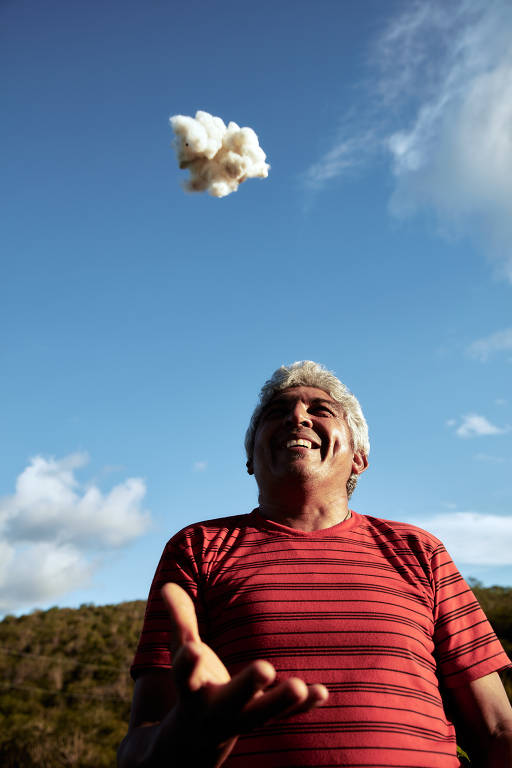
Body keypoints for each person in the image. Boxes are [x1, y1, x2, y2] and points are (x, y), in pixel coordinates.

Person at [118, 361, 512, 767]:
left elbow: (498, 730)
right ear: (251, 458)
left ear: (359, 457)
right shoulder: (198, 547)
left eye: (321, 410)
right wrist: (187, 734)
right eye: (277, 412)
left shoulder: (419, 550)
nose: (296, 417)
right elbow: (138, 748)